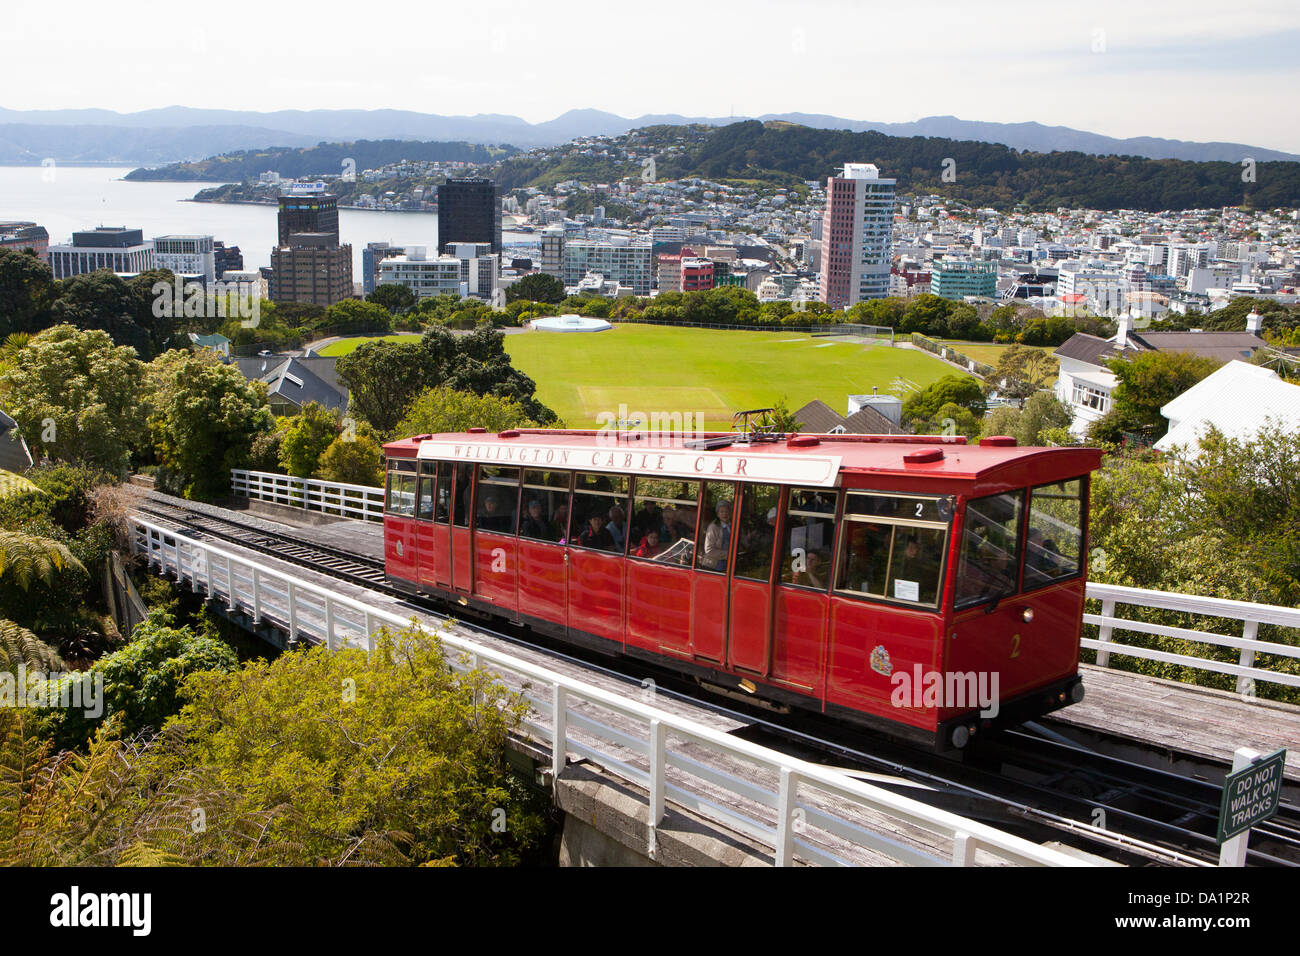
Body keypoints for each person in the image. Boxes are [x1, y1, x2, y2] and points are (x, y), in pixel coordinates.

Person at [701, 500, 732, 571]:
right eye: (721, 512)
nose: (725, 514)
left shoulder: (732, 526)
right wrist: (728, 555)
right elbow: (709, 550)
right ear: (717, 514)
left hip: (728, 565)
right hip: (714, 566)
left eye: (727, 512)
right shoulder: (713, 527)